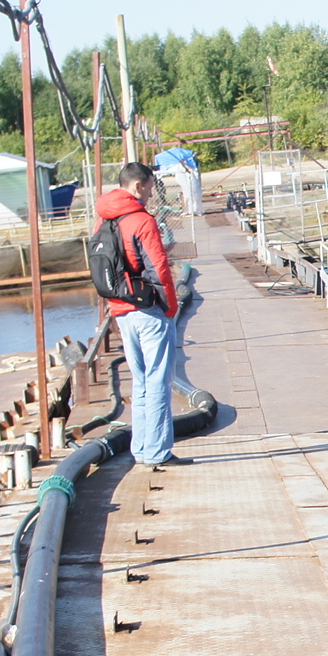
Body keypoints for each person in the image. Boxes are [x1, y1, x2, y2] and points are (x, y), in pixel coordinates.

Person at [96, 161, 190, 467]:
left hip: (121, 311)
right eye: (150, 187)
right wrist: (170, 307)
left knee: (140, 382)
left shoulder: (104, 219)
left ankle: (140, 448)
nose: (152, 194)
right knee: (159, 381)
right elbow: (159, 268)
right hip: (148, 310)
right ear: (138, 186)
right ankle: (158, 451)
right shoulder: (140, 220)